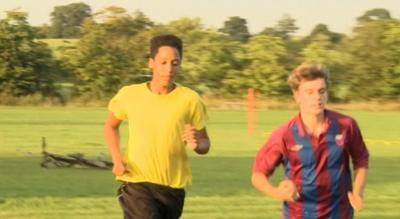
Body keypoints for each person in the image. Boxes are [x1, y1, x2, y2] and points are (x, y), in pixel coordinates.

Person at [104, 34, 210, 219]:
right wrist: (117, 159)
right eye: (163, 62)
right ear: (151, 63)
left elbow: (205, 143)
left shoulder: (190, 99)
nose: (169, 69)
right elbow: (111, 127)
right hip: (137, 182)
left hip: (173, 189)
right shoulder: (130, 95)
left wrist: (197, 145)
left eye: (175, 63)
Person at [251, 64, 369, 219]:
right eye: (309, 92)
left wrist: (358, 192)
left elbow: (361, 158)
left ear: (327, 94)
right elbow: (258, 175)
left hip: (340, 214)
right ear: (297, 96)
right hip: (299, 214)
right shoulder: (284, 135)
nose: (317, 97)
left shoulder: (346, 125)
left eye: (321, 91)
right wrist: (278, 193)